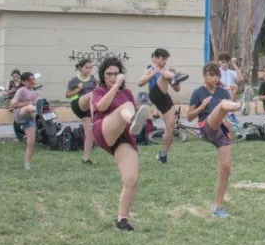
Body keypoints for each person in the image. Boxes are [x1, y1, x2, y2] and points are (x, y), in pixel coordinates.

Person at [91, 57, 153, 231]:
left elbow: (133, 107)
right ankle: (132, 120)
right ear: (103, 76)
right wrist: (115, 87)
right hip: (103, 128)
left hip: (122, 136)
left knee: (131, 180)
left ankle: (122, 220)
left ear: (121, 74)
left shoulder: (127, 93)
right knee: (125, 106)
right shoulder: (99, 91)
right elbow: (101, 107)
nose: (112, 77)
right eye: (108, 74)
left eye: (116, 73)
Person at [188, 62, 242, 218]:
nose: (214, 77)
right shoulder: (198, 93)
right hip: (206, 127)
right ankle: (239, 105)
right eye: (211, 74)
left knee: (225, 168)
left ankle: (217, 207)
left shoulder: (222, 92)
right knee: (223, 105)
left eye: (216, 74)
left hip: (220, 130)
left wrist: (228, 122)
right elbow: (190, 116)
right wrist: (201, 106)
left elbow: (224, 116)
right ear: (204, 76)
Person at [137, 48, 187, 165]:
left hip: (165, 98)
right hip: (155, 94)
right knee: (165, 74)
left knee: (170, 129)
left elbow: (177, 89)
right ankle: (175, 76)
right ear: (156, 58)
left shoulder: (166, 71)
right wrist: (152, 74)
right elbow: (139, 83)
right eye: (163, 59)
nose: (165, 61)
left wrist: (176, 81)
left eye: (166, 59)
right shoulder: (151, 69)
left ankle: (162, 155)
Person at [67, 58, 99, 164]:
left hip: (89, 107)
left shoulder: (93, 79)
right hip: (78, 103)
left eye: (90, 68)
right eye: (86, 68)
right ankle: (95, 117)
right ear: (80, 68)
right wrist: (77, 90)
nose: (89, 70)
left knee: (89, 132)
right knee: (91, 94)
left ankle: (86, 158)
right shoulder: (74, 80)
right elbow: (67, 95)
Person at [10, 72, 44, 170]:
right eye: (30, 80)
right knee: (28, 107)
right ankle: (38, 109)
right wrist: (27, 103)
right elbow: (13, 104)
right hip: (20, 114)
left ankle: (27, 164)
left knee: (31, 142)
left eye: (33, 79)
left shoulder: (34, 92)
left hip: (30, 118)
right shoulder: (21, 90)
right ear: (24, 82)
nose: (33, 81)